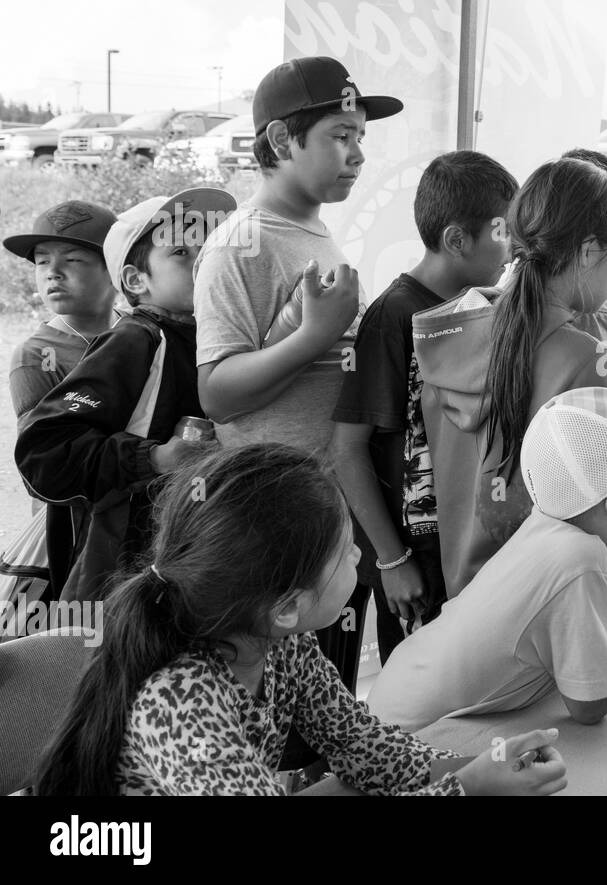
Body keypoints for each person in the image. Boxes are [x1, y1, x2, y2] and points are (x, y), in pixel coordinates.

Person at [33, 445, 566, 796]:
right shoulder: (180, 703)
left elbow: (363, 748)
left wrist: (483, 765)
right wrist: (469, 789)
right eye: (343, 551)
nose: (360, 555)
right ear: (286, 604)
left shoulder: (281, 641)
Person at [366, 387, 607, 731]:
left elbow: (600, 645)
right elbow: (590, 705)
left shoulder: (569, 525)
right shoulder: (579, 559)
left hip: (403, 699)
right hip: (413, 737)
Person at [193, 55, 402, 694]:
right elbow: (217, 392)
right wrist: (310, 335)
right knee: (283, 717)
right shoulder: (241, 243)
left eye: (361, 138)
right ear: (282, 141)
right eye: (341, 136)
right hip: (278, 533)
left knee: (327, 704)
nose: (358, 154)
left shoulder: (313, 233)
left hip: (333, 517)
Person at [413, 151, 607, 615]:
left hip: (471, 602)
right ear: (589, 250)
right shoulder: (586, 358)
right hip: (556, 606)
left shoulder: (451, 336)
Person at [331, 151, 518, 664]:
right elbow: (347, 451)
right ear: (457, 240)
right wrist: (392, 560)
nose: (514, 247)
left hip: (469, 547)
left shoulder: (484, 311)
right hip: (416, 561)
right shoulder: (395, 316)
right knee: (416, 704)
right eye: (503, 231)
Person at [15, 189, 229, 602]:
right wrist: (152, 457)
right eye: (183, 252)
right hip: (123, 578)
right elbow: (44, 450)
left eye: (211, 250)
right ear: (135, 280)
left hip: (195, 562)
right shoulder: (137, 338)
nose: (204, 263)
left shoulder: (215, 337)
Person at [5, 200, 120, 420]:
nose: (53, 272)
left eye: (72, 259)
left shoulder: (144, 330)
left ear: (115, 268)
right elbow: (43, 448)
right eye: (42, 261)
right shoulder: (36, 356)